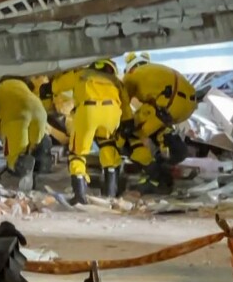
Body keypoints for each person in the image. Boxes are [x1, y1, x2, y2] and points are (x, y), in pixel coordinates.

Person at [40, 59, 130, 204]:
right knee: (108, 147)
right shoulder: (116, 81)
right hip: (112, 114)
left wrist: (48, 89)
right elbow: (126, 107)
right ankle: (110, 194)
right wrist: (127, 122)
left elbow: (58, 85)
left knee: (77, 153)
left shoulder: (82, 73)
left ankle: (79, 195)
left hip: (88, 111)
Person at [120, 53, 198, 193]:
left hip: (166, 103)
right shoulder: (157, 71)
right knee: (156, 127)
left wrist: (125, 125)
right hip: (187, 106)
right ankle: (171, 146)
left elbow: (124, 103)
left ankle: (154, 173)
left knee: (131, 135)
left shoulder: (131, 75)